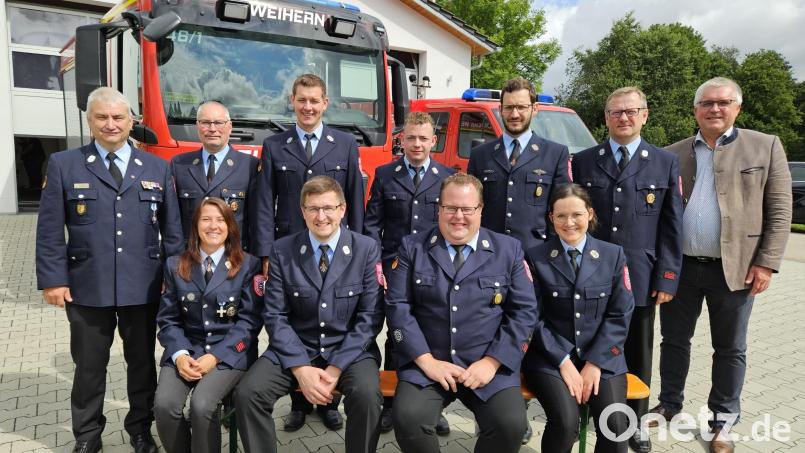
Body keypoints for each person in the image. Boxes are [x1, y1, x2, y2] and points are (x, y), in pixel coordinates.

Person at [35, 87, 183, 453]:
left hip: (144, 286)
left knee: (141, 366)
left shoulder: (157, 167)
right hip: (89, 287)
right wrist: (54, 279)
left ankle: (139, 430)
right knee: (88, 368)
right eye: (102, 117)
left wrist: (175, 281)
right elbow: (50, 229)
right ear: (90, 121)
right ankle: (87, 436)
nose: (111, 124)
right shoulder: (64, 164)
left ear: (131, 121)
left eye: (119, 117)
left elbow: (174, 232)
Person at [650, 77, 792, 453]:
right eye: (707, 103)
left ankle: (722, 421)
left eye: (723, 103)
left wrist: (766, 263)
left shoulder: (765, 146)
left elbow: (780, 210)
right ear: (695, 110)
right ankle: (669, 403)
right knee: (674, 340)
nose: (715, 109)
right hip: (680, 268)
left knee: (730, 348)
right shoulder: (671, 153)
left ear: (737, 108)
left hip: (736, 269)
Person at [386, 173, 538, 453]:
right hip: (429, 364)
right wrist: (426, 360)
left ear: (480, 210)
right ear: (439, 209)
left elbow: (524, 312)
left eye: (467, 209)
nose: (458, 216)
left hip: (488, 365)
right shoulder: (413, 247)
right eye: (450, 208)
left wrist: (492, 362)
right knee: (408, 420)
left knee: (510, 425)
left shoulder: (508, 249)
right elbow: (398, 307)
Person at [234, 176, 384, 453]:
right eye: (313, 208)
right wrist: (301, 369)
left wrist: (336, 367)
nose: (321, 216)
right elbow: (275, 315)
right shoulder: (282, 250)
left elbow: (370, 317)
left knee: (367, 395)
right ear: (302, 211)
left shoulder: (365, 249)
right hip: (296, 347)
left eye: (328, 208)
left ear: (342, 209)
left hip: (349, 351)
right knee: (249, 394)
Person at [571, 86, 683, 452]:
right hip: (589, 276)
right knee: (584, 346)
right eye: (616, 112)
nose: (624, 117)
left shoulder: (664, 162)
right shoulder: (585, 161)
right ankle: (578, 416)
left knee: (637, 353)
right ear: (605, 118)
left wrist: (667, 276)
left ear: (645, 115)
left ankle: (634, 424)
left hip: (639, 275)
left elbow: (671, 225)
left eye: (632, 111)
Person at [253, 73, 365, 429]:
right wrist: (266, 253)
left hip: (336, 251)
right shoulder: (274, 145)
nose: (308, 107)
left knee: (333, 317)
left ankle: (331, 401)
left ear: (325, 103)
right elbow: (262, 201)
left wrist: (359, 251)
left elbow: (353, 202)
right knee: (299, 320)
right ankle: (300, 402)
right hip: (291, 254)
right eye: (302, 100)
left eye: (315, 100)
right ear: (292, 101)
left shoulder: (345, 143)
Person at [523, 183, 634, 453]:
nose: (569, 222)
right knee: (565, 422)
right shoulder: (535, 257)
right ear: (551, 218)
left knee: (617, 425)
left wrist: (595, 363)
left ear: (590, 214)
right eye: (560, 215)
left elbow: (620, 313)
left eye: (577, 215)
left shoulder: (612, 255)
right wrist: (562, 361)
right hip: (551, 357)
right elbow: (531, 317)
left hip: (603, 356)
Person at [364, 111, 454, 434]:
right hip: (393, 268)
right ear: (401, 141)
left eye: (423, 138)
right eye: (411, 138)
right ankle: (391, 403)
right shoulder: (385, 174)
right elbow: (372, 224)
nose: (417, 144)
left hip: (433, 269)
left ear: (434, 140)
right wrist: (377, 265)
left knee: (432, 332)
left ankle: (436, 403)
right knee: (395, 334)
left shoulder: (447, 177)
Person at [154, 198, 262, 453]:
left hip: (229, 354)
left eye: (221, 219)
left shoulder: (248, 264)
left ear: (230, 226)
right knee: (164, 406)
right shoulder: (174, 265)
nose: (213, 226)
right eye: (206, 219)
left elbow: (249, 323)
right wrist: (180, 356)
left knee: (202, 405)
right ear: (195, 226)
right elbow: (168, 320)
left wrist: (215, 357)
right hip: (187, 349)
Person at [467, 76, 572, 253]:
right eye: (509, 107)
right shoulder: (480, 155)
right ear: (500, 110)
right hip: (489, 253)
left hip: (536, 254)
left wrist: (554, 252)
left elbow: (562, 208)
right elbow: (471, 206)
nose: (515, 114)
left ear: (535, 109)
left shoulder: (555, 154)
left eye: (522, 107)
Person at [170, 101, 259, 250]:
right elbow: (172, 219)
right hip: (191, 256)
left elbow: (257, 219)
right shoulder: (179, 164)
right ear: (197, 126)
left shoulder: (250, 165)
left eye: (218, 123)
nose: (212, 129)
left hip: (233, 257)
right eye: (205, 122)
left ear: (229, 127)